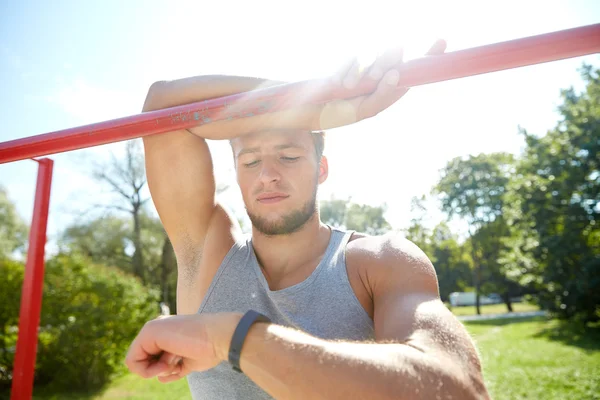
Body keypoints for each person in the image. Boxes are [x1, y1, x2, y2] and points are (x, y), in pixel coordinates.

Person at [125, 41, 491, 400]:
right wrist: (322, 110)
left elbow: (457, 390)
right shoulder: (208, 255)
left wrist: (230, 339)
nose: (267, 174)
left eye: (288, 156)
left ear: (321, 169)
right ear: (236, 173)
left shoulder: (379, 261)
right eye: (250, 161)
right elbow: (162, 105)